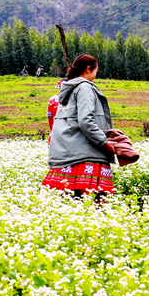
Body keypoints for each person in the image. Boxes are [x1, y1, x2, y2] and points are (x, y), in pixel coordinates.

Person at [43, 55, 114, 198]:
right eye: (95, 71)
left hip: (67, 156)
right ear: (88, 69)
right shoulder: (84, 88)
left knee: (69, 208)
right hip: (86, 156)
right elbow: (85, 121)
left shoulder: (69, 90)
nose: (95, 75)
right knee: (95, 206)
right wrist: (104, 142)